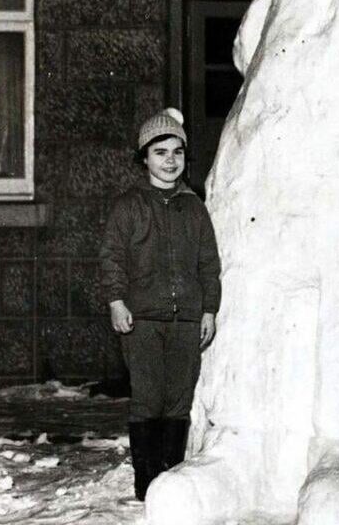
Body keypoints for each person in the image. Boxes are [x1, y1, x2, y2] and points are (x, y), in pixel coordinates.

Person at [100, 108, 221, 501]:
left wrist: (208, 309)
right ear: (144, 158)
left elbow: (208, 263)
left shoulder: (194, 208)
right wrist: (117, 301)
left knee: (177, 400)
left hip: (185, 319)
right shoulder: (130, 206)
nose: (170, 161)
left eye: (177, 152)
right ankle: (146, 482)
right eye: (160, 152)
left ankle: (170, 480)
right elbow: (112, 256)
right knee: (149, 398)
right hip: (143, 320)